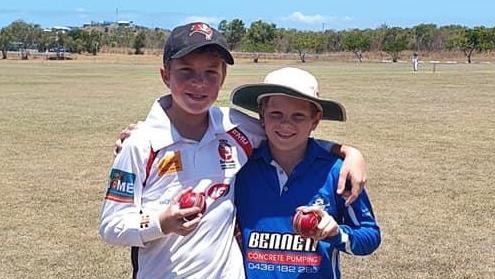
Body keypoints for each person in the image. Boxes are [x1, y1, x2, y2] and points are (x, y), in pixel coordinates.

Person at [101, 22, 368, 279]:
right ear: (165, 75)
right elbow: (111, 227)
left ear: (223, 77)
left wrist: (347, 151)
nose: (199, 83)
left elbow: (289, 133)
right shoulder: (140, 143)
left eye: (210, 73)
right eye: (186, 71)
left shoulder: (235, 126)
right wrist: (161, 222)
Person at [232, 67, 381, 278]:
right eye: (276, 114)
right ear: (261, 115)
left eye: (299, 116)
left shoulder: (336, 171)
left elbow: (370, 236)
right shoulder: (241, 167)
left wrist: (337, 233)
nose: (285, 124)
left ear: (316, 120)